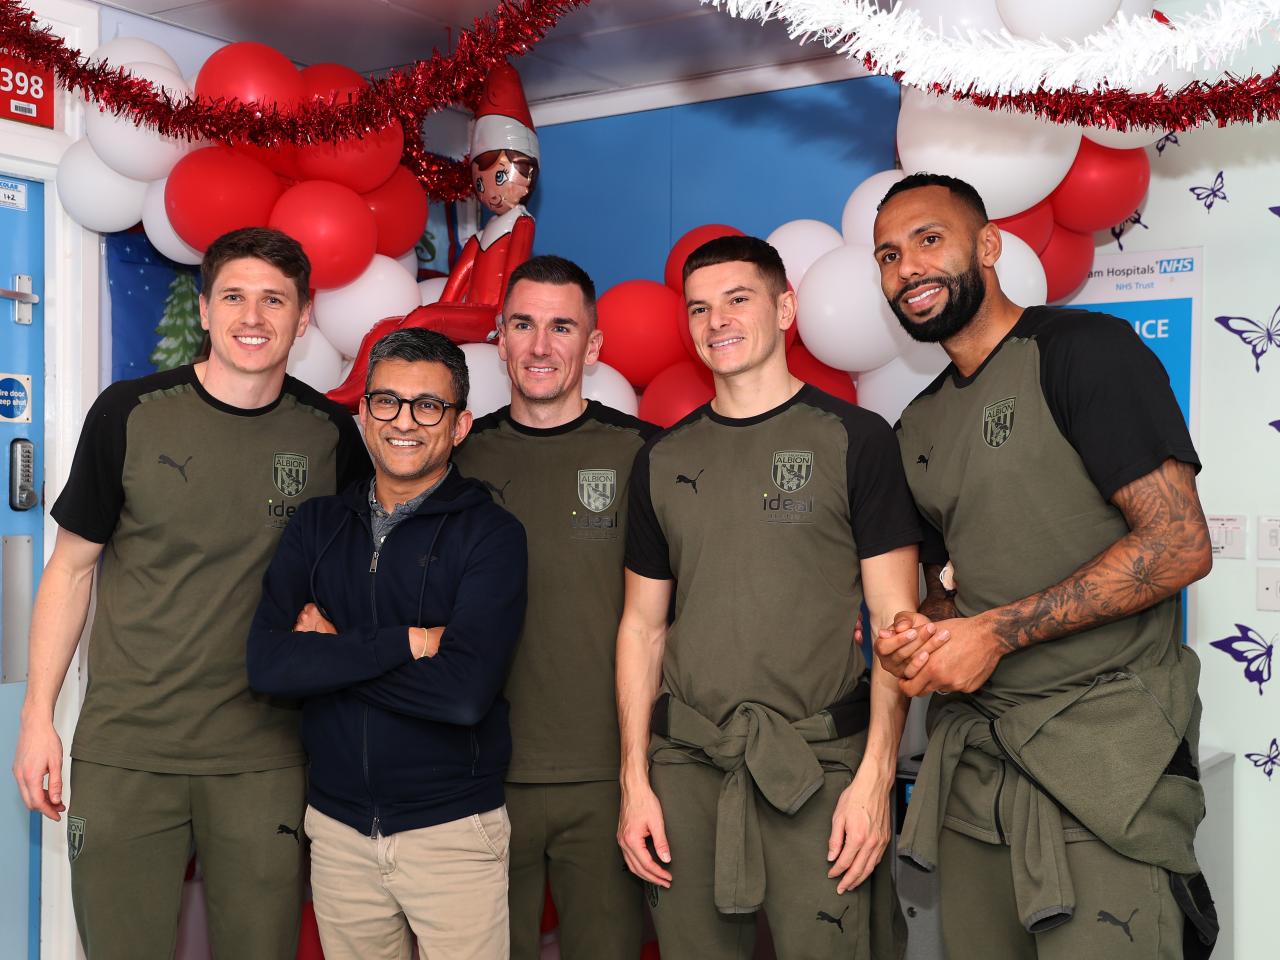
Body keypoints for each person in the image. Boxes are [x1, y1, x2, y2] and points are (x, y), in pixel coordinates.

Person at [872, 172, 1217, 960]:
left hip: (1106, 769)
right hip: (977, 781)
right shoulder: (917, 424)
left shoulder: (1083, 353)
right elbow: (949, 601)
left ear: (988, 245)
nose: (908, 268)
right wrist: (922, 641)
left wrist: (995, 633)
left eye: (930, 240)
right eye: (888, 255)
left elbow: (1178, 543)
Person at [10, 227, 370, 958]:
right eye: (234, 296)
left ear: (303, 319)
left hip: (265, 757)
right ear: (204, 310)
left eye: (275, 300)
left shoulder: (330, 436)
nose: (253, 317)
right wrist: (37, 717)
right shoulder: (130, 413)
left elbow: (361, 578)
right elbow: (71, 569)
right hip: (128, 749)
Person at [617, 235, 921, 959]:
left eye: (737, 299)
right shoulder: (660, 460)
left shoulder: (856, 439)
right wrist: (635, 780)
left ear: (785, 308)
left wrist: (876, 781)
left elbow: (895, 625)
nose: (716, 320)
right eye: (699, 307)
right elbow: (641, 629)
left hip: (820, 767)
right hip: (688, 767)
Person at [246, 328, 527, 960]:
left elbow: (462, 694)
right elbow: (267, 664)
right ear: (364, 414)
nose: (405, 421)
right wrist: (407, 642)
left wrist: (330, 653)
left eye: (428, 406)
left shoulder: (491, 535)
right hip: (339, 830)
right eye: (386, 402)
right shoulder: (317, 525)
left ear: (459, 426)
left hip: (453, 831)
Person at [454, 255, 653, 959]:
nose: (541, 346)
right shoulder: (454, 460)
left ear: (592, 347)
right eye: (523, 325)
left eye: (562, 327)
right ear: (500, 341)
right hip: (477, 777)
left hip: (607, 778)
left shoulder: (642, 455)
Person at [328, 62, 539, 409]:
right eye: (482, 183)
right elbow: (454, 288)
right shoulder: (480, 235)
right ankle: (354, 392)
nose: (491, 192)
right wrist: (438, 310)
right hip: (468, 313)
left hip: (493, 319)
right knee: (385, 327)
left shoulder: (521, 223)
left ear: (528, 171)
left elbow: (514, 278)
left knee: (425, 319)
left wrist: (506, 320)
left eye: (500, 177)